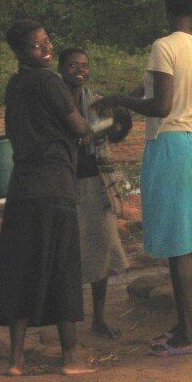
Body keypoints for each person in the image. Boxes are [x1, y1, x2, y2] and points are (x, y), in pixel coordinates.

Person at [95, 0, 192, 356]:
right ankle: (186, 324)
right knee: (187, 244)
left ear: (167, 9)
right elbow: (169, 94)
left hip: (169, 144)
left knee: (178, 246)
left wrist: (115, 100)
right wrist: (132, 99)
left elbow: (161, 106)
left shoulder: (164, 46)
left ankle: (189, 335)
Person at [0, 20, 95, 376]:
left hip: (23, 186)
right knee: (62, 267)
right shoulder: (50, 82)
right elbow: (78, 127)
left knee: (21, 267)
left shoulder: (15, 84)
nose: (46, 49)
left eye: (47, 42)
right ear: (20, 51)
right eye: (37, 45)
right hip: (54, 184)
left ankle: (16, 359)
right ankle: (71, 357)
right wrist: (90, 128)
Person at [58, 47, 129, 339]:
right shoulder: (56, 101)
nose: (80, 70)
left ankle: (98, 319)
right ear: (61, 69)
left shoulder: (96, 102)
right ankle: (70, 322)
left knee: (102, 250)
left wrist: (116, 120)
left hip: (96, 182)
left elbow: (117, 132)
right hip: (65, 184)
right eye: (73, 65)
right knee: (69, 256)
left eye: (85, 66)